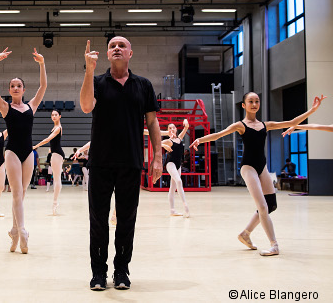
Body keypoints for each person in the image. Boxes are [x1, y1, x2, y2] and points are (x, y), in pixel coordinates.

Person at [190, 92, 325, 256]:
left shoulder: (265, 125)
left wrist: (312, 110)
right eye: (250, 101)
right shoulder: (240, 125)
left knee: (271, 205)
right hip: (248, 167)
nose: (254, 104)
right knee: (262, 206)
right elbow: (219, 134)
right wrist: (200, 140)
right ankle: (274, 244)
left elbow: (291, 122)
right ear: (244, 105)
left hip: (262, 167)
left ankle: (245, 233)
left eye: (256, 101)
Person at [80, 37, 163, 291]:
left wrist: (157, 157)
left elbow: (152, 124)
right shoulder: (96, 81)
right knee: (98, 220)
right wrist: (89, 70)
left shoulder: (144, 85)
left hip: (131, 162)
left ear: (130, 53)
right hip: (101, 163)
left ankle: (121, 270)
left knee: (127, 220)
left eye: (122, 45)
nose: (116, 48)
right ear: (107, 54)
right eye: (112, 45)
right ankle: (98, 273)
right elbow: (85, 106)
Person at [0, 47, 47, 254]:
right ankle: (22, 230)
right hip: (12, 152)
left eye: (18, 85)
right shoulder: (5, 108)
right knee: (16, 193)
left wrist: (42, 64)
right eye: (12, 86)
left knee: (22, 196)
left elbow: (43, 86)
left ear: (23, 89)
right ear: (9, 89)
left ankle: (13, 229)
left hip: (28, 153)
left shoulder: (32, 106)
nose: (15, 88)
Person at [33, 109, 64, 215]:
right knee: (55, 179)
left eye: (56, 114)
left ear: (60, 116)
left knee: (57, 179)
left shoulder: (58, 128)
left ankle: (55, 203)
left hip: (58, 154)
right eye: (52, 115)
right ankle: (55, 203)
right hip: (54, 154)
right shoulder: (54, 127)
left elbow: (47, 140)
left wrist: (35, 146)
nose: (54, 116)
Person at [162, 119, 190, 217]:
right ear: (168, 130)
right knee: (179, 181)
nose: (172, 129)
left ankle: (172, 210)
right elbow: (157, 143)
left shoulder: (179, 138)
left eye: (173, 127)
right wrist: (164, 145)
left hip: (178, 165)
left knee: (173, 188)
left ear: (176, 129)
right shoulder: (168, 141)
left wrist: (185, 121)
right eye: (170, 128)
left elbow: (186, 127)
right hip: (170, 164)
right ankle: (186, 207)